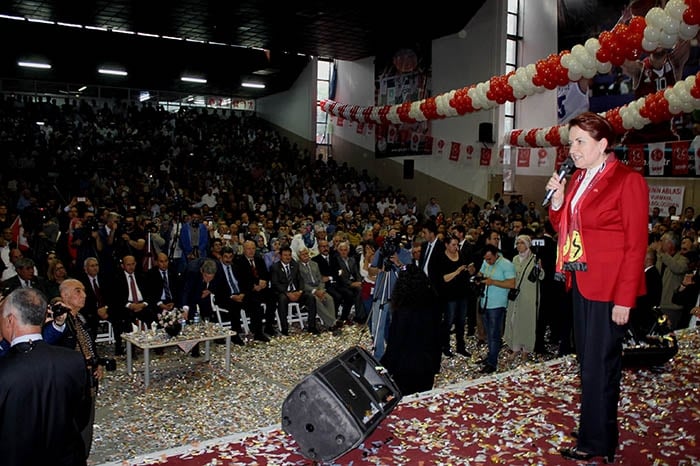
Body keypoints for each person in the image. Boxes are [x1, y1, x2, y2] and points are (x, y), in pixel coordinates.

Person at [546, 111, 648, 463]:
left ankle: (595, 442)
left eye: (580, 142)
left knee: (599, 366)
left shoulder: (627, 181)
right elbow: (566, 227)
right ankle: (596, 426)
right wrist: (558, 201)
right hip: (580, 279)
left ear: (603, 145)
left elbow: (636, 246)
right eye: (571, 142)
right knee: (588, 363)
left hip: (608, 289)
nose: (572, 149)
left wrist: (625, 299)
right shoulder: (576, 179)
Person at [0, 287, 91, 466]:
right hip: (67, 457)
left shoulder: (5, 369)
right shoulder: (73, 360)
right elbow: (82, 415)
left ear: (10, 320)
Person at [43, 278, 105, 459]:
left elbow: (89, 344)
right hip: (69, 383)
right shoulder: (59, 320)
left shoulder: (81, 317)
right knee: (72, 426)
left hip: (88, 379)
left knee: (86, 422)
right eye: (78, 291)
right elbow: (49, 342)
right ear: (64, 296)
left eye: (84, 290)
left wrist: (97, 362)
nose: (84, 295)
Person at [380, 263, 442, 396]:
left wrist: (385, 366)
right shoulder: (433, 303)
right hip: (427, 364)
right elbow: (437, 335)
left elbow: (396, 341)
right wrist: (436, 363)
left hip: (405, 366)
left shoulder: (402, 309)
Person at [473, 244, 515, 374]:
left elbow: (512, 283)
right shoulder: (486, 262)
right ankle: (490, 357)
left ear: (496, 254)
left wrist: (493, 282)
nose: (488, 261)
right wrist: (478, 278)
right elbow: (481, 272)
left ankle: (492, 363)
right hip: (485, 301)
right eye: (486, 259)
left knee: (494, 334)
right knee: (488, 333)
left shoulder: (506, 264)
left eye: (490, 259)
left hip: (497, 304)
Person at [504, 235, 543, 363]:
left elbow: (541, 277)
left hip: (529, 296)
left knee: (528, 322)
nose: (518, 245)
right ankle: (515, 348)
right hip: (515, 295)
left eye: (521, 243)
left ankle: (526, 350)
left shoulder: (534, 259)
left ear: (527, 245)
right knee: (514, 321)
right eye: (517, 243)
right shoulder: (515, 259)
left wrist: (539, 268)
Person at [436, 234, 471, 358]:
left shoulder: (460, 255)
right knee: (448, 321)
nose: (456, 247)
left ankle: (460, 346)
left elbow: (465, 271)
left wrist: (467, 270)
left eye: (457, 245)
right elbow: (444, 278)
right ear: (446, 245)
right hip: (449, 295)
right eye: (453, 245)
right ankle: (445, 346)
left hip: (462, 292)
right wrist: (457, 271)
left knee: (461, 322)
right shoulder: (441, 258)